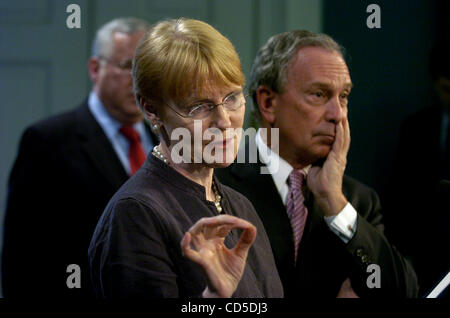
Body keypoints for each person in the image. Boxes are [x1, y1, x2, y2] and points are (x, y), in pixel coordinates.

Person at [88, 18, 283, 298]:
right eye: (199, 107)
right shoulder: (135, 214)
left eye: (231, 98)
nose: (224, 121)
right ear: (152, 110)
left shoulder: (240, 205)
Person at [215, 30, 419, 298]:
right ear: (268, 103)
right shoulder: (218, 186)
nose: (338, 114)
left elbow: (404, 291)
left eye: (343, 96)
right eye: (319, 94)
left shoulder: (357, 201)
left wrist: (333, 201)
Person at [2, 17, 158, 297]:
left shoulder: (165, 139)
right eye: (127, 67)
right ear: (95, 69)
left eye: (147, 70)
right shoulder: (47, 141)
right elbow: (21, 255)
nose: (139, 81)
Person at [385, 39, 450, 296]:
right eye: (446, 89)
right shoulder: (416, 127)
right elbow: (402, 192)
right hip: (424, 253)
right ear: (435, 84)